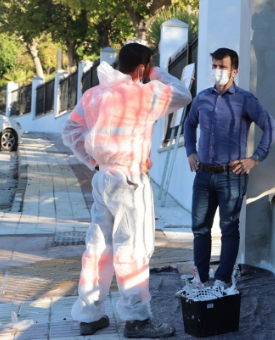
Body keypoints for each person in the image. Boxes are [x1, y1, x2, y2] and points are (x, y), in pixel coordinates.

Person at [62, 42, 193, 338]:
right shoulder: (143, 94)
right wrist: (156, 72)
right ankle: (137, 320)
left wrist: (94, 162)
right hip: (130, 180)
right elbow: (183, 94)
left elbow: (70, 131)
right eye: (147, 67)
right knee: (133, 248)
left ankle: (90, 314)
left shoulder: (93, 95)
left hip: (103, 177)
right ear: (142, 68)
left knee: (98, 246)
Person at [184, 47, 275, 287]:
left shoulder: (245, 100)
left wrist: (255, 158)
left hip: (232, 177)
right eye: (215, 66)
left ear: (234, 71)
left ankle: (222, 279)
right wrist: (190, 151)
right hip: (203, 175)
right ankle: (200, 278)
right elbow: (189, 124)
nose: (217, 70)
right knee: (199, 228)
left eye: (222, 67)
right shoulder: (202, 98)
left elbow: (272, 127)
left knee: (228, 228)